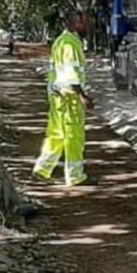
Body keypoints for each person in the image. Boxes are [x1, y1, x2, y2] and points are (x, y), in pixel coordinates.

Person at [32, 10, 95, 186]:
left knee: (55, 135)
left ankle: (42, 169)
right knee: (73, 137)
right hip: (69, 99)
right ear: (76, 24)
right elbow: (71, 74)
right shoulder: (69, 45)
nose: (88, 27)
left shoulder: (61, 41)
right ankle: (75, 177)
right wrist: (82, 96)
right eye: (85, 23)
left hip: (57, 96)